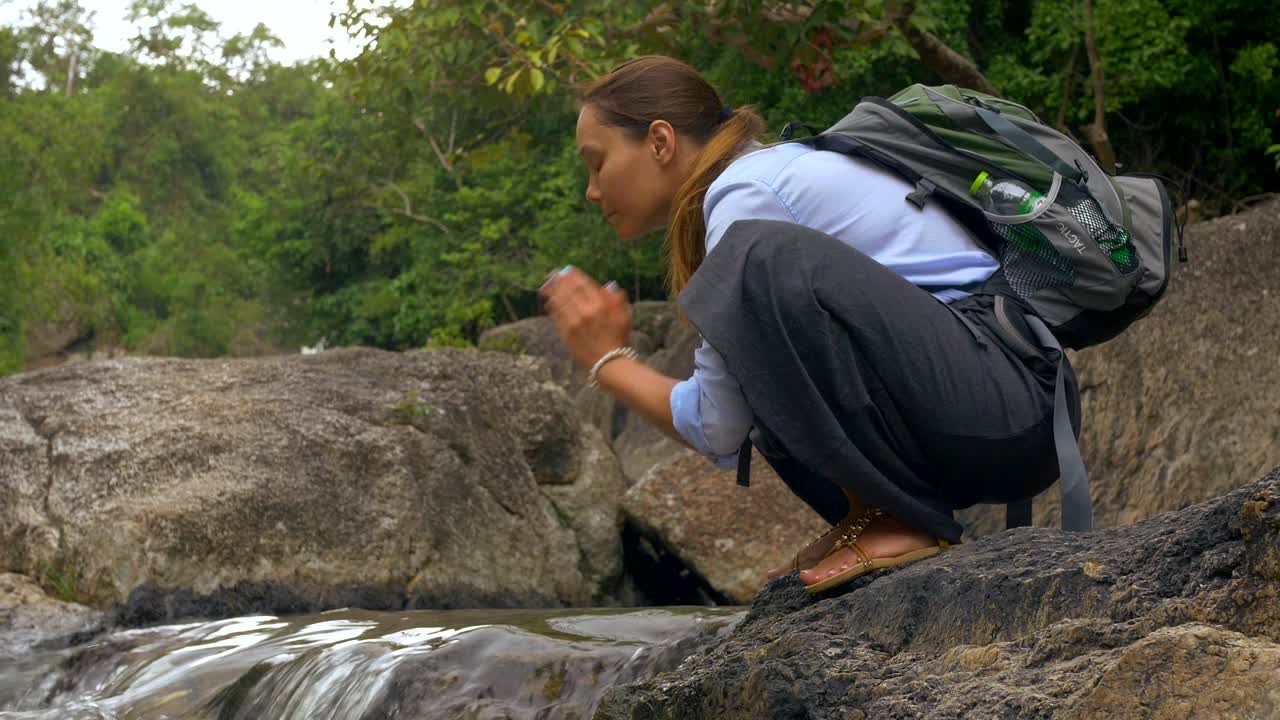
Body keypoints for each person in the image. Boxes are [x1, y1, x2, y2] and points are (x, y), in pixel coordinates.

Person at [538, 55, 1077, 594]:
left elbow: (715, 422)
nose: (591, 189)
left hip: (1010, 393)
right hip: (992, 408)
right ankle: (872, 513)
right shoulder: (754, 183)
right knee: (757, 356)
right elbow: (734, 413)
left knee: (759, 260)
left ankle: (902, 517)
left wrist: (606, 361)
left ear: (660, 142)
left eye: (597, 161)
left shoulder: (747, 193)